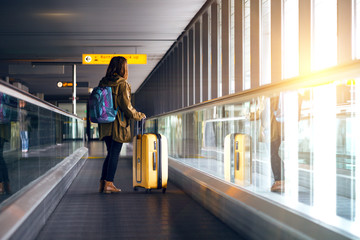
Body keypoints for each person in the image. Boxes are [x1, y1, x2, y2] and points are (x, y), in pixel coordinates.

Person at [98, 56, 146, 194]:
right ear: (123, 68)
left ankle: (103, 183)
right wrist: (139, 115)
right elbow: (126, 106)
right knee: (114, 154)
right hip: (118, 125)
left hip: (105, 123)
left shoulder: (103, 82)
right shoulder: (122, 84)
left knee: (110, 153)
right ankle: (109, 183)